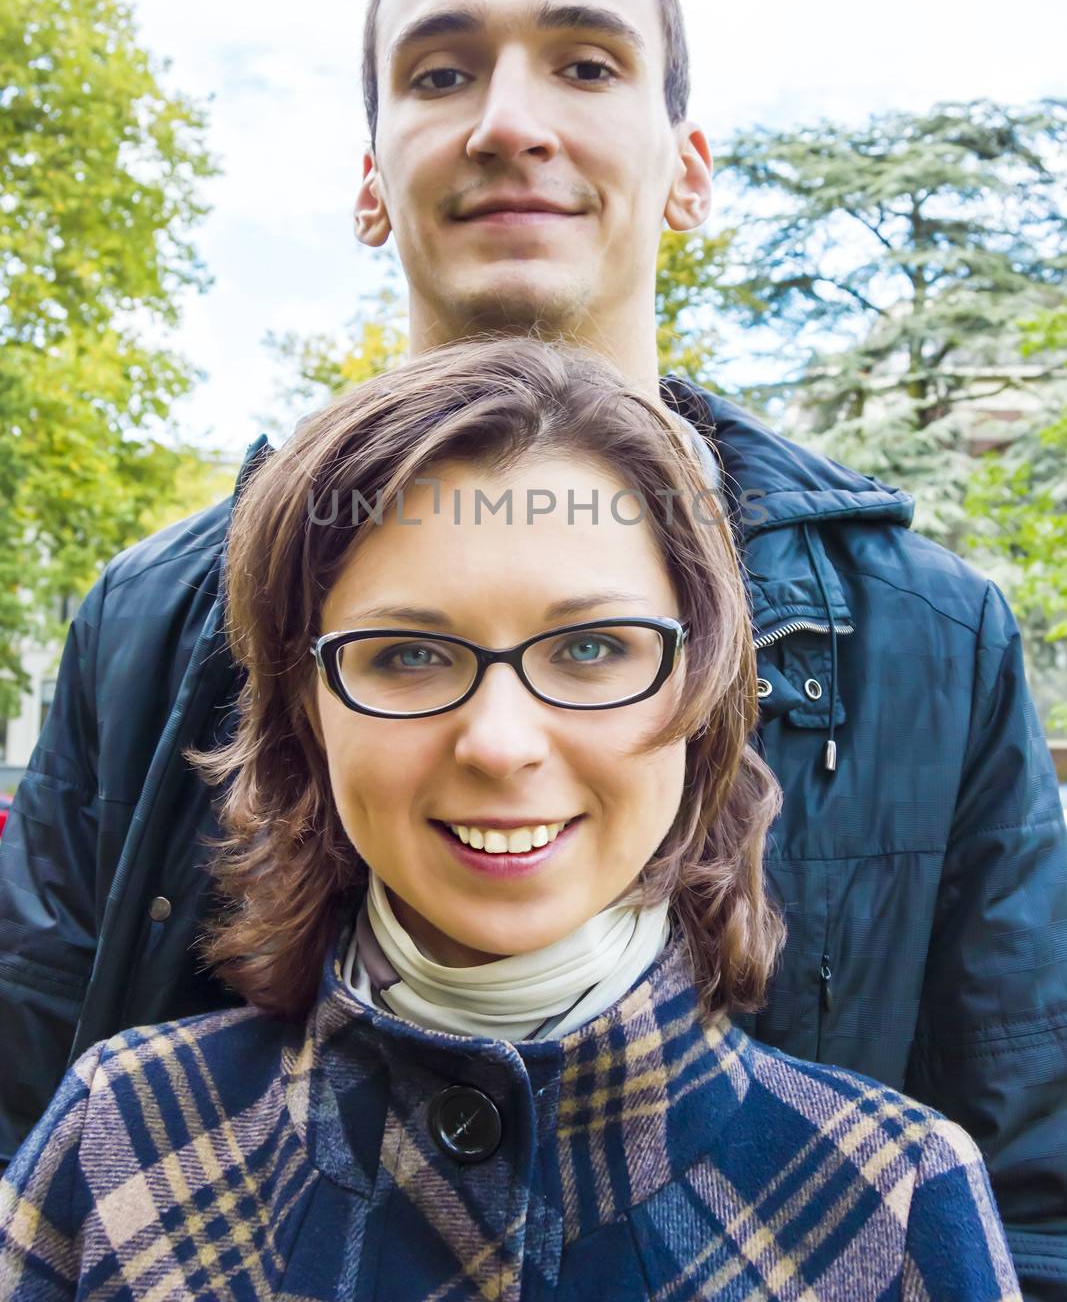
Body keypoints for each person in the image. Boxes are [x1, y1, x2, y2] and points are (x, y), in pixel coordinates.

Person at [0, 0, 1063, 1297]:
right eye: (440, 71)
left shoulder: (928, 637)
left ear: (687, 168)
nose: (508, 121)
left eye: (582, 61)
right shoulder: (151, 619)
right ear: (371, 182)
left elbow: (1030, 1190)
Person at [0, 339, 1021, 1300]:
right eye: (405, 653)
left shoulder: (889, 1201)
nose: (498, 742)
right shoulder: (120, 1139)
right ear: (303, 711)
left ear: (702, 696)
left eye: (588, 649)